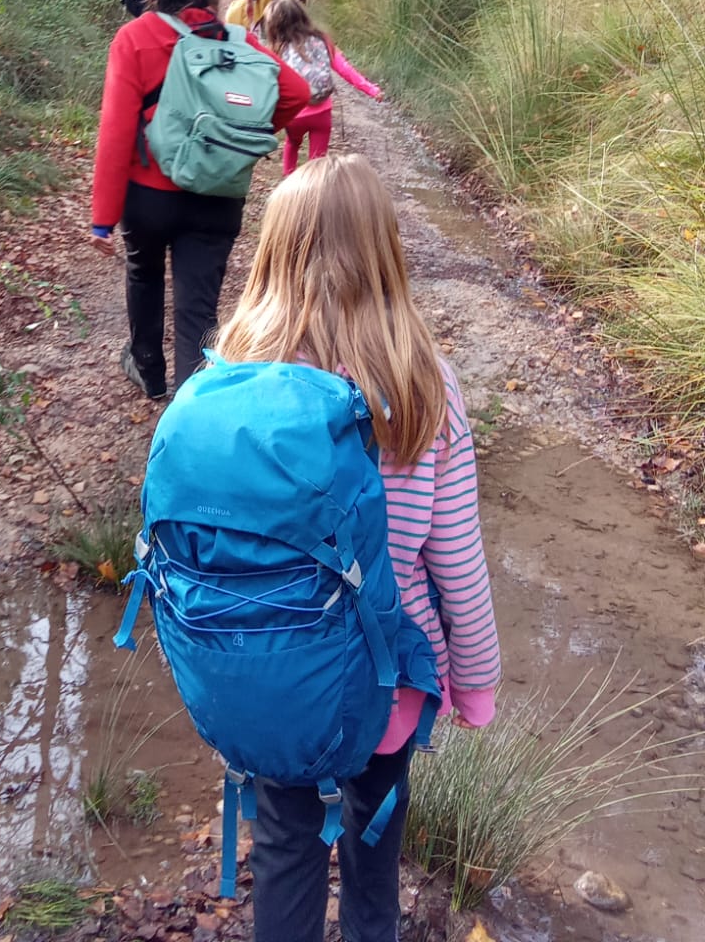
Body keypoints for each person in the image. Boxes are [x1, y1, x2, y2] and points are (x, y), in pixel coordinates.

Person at [214, 155, 500, 942]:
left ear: (275, 254)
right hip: (386, 688)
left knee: (284, 851)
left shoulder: (234, 377)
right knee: (375, 859)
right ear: (386, 254)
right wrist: (474, 685)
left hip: (271, 679)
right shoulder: (423, 388)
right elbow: (456, 563)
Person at [92, 0, 315, 397]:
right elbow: (295, 92)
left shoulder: (134, 38)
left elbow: (115, 132)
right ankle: (193, 406)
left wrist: (103, 219)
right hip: (217, 197)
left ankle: (148, 370)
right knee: (199, 308)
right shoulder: (236, 42)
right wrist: (239, 131)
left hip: (149, 194)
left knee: (144, 273)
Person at [261, 0, 384, 169]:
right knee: (317, 162)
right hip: (322, 112)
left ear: (274, 26)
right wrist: (372, 90)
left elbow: (268, 82)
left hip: (295, 114)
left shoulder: (279, 49)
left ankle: (289, 184)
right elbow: (345, 70)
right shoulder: (322, 40)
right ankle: (315, 192)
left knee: (292, 144)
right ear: (302, 15)